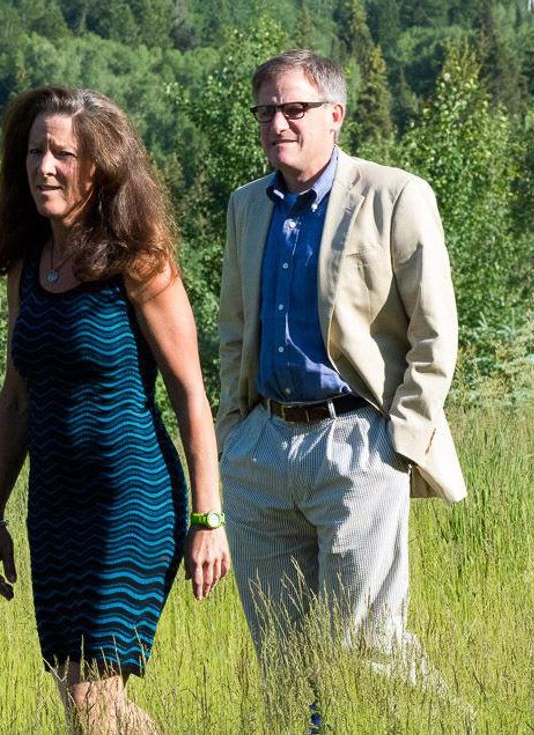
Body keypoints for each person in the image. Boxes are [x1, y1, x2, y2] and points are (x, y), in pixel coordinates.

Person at [217, 48, 466, 726]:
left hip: (357, 441)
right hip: (261, 449)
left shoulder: (395, 194)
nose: (278, 124)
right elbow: (234, 329)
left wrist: (398, 440)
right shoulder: (246, 205)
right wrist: (232, 433)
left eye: (294, 108)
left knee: (367, 649)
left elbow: (435, 332)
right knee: (283, 659)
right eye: (266, 111)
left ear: (336, 113)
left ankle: (461, 723)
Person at [0, 86, 230, 735]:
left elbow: (189, 393)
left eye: (62, 153)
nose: (44, 167)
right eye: (35, 151)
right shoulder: (26, 267)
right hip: (55, 506)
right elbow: (17, 396)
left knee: (92, 696)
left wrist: (208, 516)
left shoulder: (137, 258)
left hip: (131, 500)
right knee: (85, 701)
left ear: (101, 167)